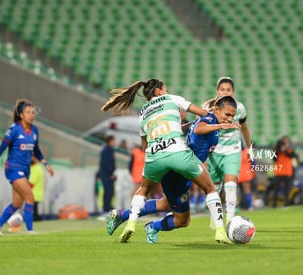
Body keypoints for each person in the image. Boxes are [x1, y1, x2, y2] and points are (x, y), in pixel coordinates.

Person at [101, 79, 235, 244]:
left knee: (168, 207)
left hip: (171, 166)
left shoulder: (144, 112)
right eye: (227, 115)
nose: (229, 119)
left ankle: (127, 217)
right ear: (158, 91)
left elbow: (146, 145)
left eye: (232, 116)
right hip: (180, 167)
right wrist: (217, 123)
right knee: (190, 209)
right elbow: (202, 123)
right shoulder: (206, 119)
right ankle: (218, 232)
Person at [0, 99, 54, 236]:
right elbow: (2, 147)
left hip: (25, 169)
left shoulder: (34, 130)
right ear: (21, 115)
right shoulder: (14, 129)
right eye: (28, 112)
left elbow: (36, 150)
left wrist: (45, 164)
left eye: (33, 112)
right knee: (30, 197)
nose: (31, 115)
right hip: (13, 168)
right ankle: (30, 231)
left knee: (17, 203)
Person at [206, 77, 252, 222]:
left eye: (228, 90)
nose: (225, 92)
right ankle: (215, 218)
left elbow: (244, 127)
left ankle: (230, 221)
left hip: (232, 150)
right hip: (214, 151)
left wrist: (250, 147)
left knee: (231, 183)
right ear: (217, 91)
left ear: (233, 92)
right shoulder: (209, 108)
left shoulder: (240, 108)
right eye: (222, 89)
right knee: (215, 187)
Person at [271, 136, 298, 208]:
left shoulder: (289, 151)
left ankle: (286, 203)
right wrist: (277, 150)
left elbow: (293, 156)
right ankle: (274, 204)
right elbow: (274, 159)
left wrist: (285, 150)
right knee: (276, 189)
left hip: (287, 173)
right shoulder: (277, 151)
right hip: (278, 172)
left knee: (287, 189)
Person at [99, 135, 116, 213]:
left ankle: (108, 206)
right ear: (109, 141)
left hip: (108, 174)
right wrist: (110, 174)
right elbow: (106, 164)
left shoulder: (110, 150)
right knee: (107, 191)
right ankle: (106, 208)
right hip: (106, 175)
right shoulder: (106, 151)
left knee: (110, 191)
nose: (114, 142)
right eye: (113, 141)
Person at [238, 146, 255, 210]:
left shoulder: (235, 152)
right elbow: (253, 163)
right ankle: (249, 206)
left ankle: (249, 206)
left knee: (242, 191)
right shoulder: (248, 151)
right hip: (246, 174)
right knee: (247, 191)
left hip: (238, 174)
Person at [29, 155, 45, 221]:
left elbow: (31, 184)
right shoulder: (34, 168)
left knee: (33, 214)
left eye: (32, 157)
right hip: (34, 194)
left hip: (34, 194)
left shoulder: (36, 169)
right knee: (34, 212)